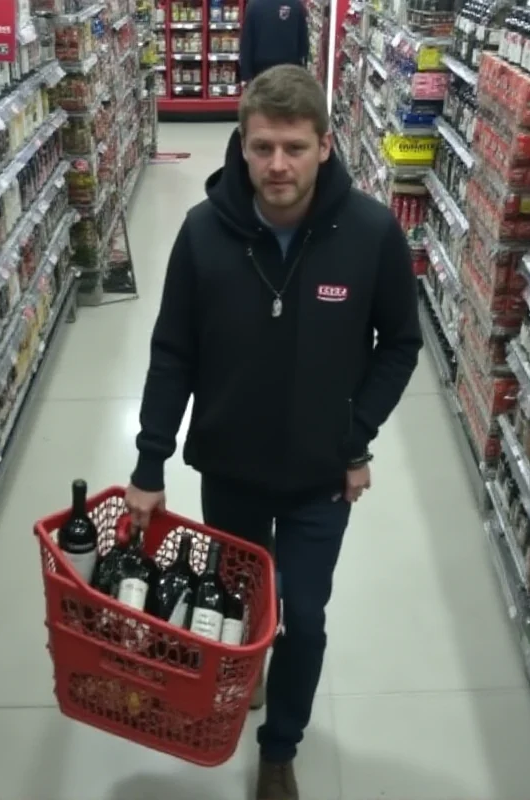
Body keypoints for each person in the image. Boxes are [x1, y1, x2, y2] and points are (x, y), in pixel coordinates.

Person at [125, 65, 422, 800]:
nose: (277, 165)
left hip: (322, 477)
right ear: (242, 145)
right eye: (262, 148)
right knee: (238, 600)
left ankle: (280, 745)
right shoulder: (201, 235)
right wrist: (149, 461)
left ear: (325, 145)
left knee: (305, 617)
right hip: (228, 468)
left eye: (294, 146)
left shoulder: (371, 233)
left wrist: (354, 436)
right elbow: (173, 354)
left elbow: (400, 344)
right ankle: (246, 662)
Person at [239, 0, 309, 84]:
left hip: (261, 71)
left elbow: (247, 42)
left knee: (263, 96)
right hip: (289, 69)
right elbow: (303, 44)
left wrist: (246, 75)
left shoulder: (254, 5)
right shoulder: (296, 5)